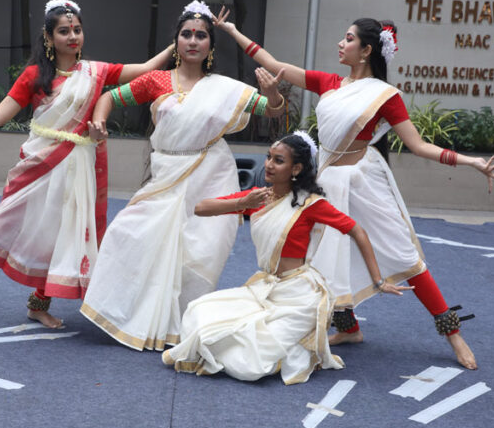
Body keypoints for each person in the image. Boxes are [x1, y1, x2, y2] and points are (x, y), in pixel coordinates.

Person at [215, 9, 494, 370]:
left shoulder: (385, 96)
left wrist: (471, 162)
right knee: (324, 256)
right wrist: (233, 31)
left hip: (365, 182)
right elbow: (275, 66)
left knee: (404, 256)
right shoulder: (329, 83)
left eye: (349, 39)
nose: (341, 43)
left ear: (366, 51)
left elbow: (418, 145)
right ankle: (349, 328)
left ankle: (453, 333)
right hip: (327, 180)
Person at [0, 0, 171, 328]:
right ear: (48, 37)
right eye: (64, 31)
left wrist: (175, 44)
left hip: (78, 168)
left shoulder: (96, 72)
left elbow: (146, 69)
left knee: (61, 234)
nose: (72, 36)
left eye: (77, 30)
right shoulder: (34, 76)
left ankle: (38, 305)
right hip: (38, 167)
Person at [80, 0, 287, 351]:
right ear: (176, 40)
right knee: (127, 232)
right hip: (166, 174)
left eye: (201, 35)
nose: (193, 41)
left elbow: (272, 111)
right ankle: (130, 313)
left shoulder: (225, 88)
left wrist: (274, 95)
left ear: (210, 45)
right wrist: (99, 121)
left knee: (198, 251)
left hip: (211, 174)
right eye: (186, 34)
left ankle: (179, 323)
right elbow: (110, 98)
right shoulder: (157, 80)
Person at [162, 132, 412, 384]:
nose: (269, 165)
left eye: (278, 160)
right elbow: (201, 208)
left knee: (248, 366)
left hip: (299, 297)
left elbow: (357, 231)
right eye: (269, 157)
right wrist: (242, 202)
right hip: (264, 289)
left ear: (296, 168)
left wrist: (379, 281)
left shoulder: (310, 204)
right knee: (198, 311)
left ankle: (296, 344)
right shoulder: (258, 197)